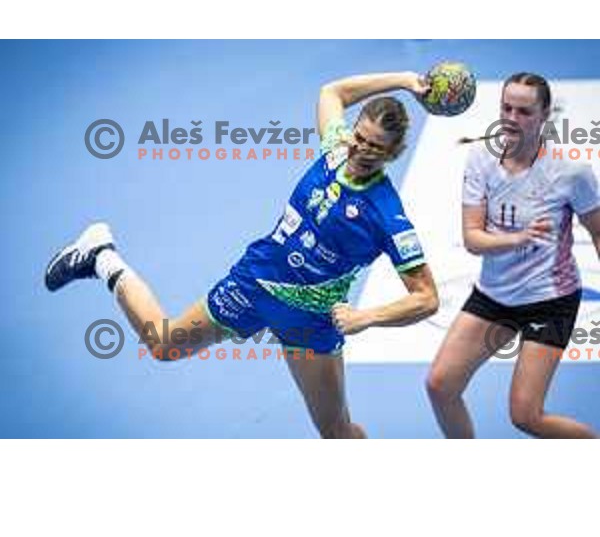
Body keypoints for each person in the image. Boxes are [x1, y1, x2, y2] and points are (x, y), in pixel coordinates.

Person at [46, 71, 439, 439]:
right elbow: (332, 93)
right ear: (353, 130)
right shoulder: (335, 150)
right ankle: (102, 255)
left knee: (337, 432)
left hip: (311, 322)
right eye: (360, 137)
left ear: (393, 153)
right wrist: (405, 80)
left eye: (376, 147)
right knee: (164, 344)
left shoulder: (387, 215)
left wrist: (366, 317)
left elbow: (426, 298)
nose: (362, 150)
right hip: (252, 284)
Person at [427, 72, 600, 439]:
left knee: (526, 416)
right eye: (506, 107)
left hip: (549, 302)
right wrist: (519, 238)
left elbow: (598, 230)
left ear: (544, 115)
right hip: (494, 297)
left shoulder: (572, 172)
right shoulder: (480, 158)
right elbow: (473, 239)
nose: (511, 117)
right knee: (440, 386)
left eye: (523, 111)